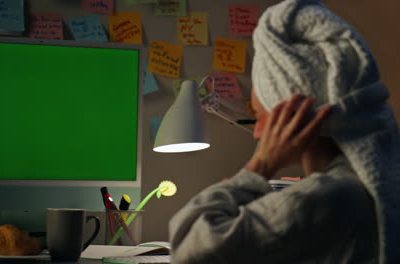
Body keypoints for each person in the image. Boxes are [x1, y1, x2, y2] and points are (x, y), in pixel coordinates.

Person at [168, 0, 400, 263]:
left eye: (259, 115)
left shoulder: (330, 197)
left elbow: (188, 249)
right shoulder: (361, 187)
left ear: (294, 118)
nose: (257, 134)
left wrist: (260, 165)